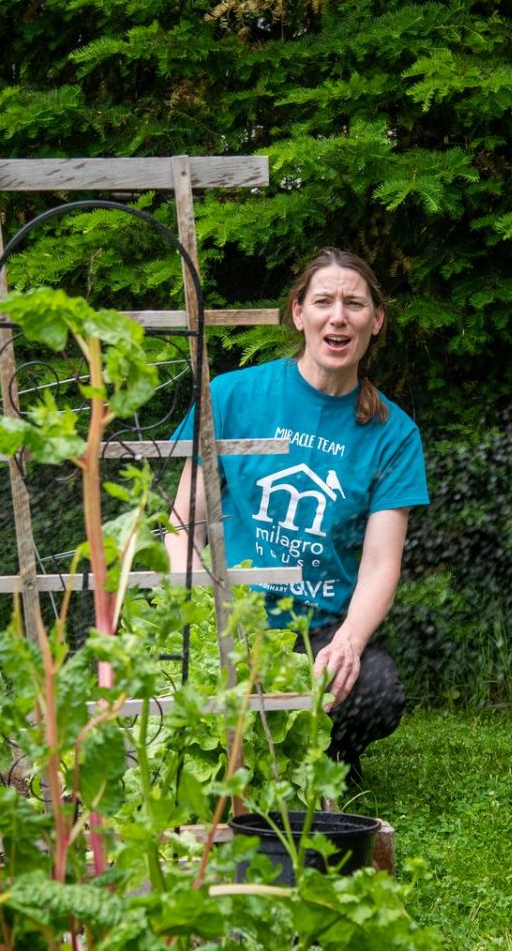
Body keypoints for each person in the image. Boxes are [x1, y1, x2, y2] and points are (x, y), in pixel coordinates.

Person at [168, 248, 428, 785]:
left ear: (375, 321)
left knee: (376, 689)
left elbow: (381, 564)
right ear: (298, 314)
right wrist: (209, 612)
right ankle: (243, 762)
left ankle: (323, 761)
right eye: (324, 301)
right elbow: (182, 523)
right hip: (230, 607)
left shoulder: (393, 433)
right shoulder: (232, 396)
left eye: (354, 304)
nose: (339, 316)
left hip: (316, 629)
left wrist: (350, 642)